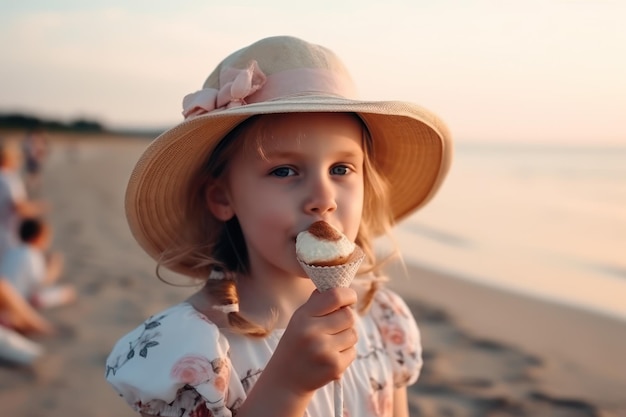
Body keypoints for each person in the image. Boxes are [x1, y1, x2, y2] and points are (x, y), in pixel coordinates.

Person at [105, 36, 452, 417]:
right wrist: (287, 386)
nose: (323, 197)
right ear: (223, 198)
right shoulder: (194, 351)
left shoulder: (383, 318)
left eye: (341, 169)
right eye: (284, 170)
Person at [0, 217, 76, 310]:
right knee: (53, 294)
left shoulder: (12, 251)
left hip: (5, 297)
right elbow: (41, 283)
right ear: (37, 238)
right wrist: (54, 266)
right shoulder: (32, 254)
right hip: (14, 302)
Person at [0, 140, 49, 259]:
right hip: (9, 233)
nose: (19, 161)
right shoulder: (8, 179)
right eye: (17, 157)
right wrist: (38, 208)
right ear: (9, 158)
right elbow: (19, 207)